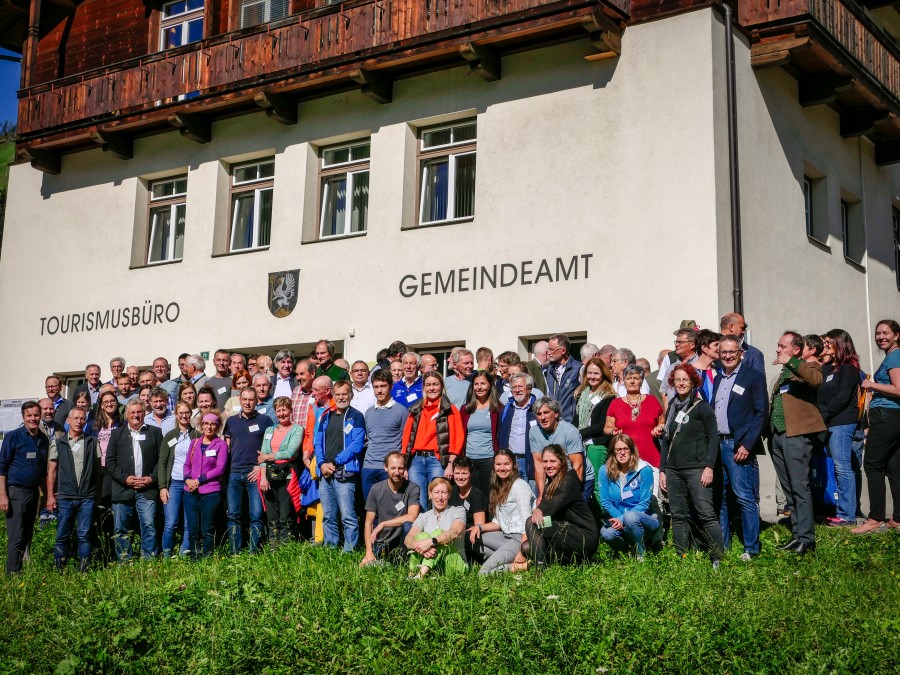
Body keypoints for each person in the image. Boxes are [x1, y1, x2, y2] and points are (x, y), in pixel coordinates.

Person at [659, 364, 723, 567]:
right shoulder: (671, 408)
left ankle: (717, 557)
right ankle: (682, 557)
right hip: (673, 469)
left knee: (706, 513)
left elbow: (713, 438)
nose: (681, 383)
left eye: (685, 379)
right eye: (677, 380)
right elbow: (666, 442)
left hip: (697, 469)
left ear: (693, 382)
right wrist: (662, 470)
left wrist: (709, 467)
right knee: (678, 515)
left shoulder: (702, 408)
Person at [769, 331, 825, 554]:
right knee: (789, 488)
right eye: (778, 345)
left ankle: (807, 540)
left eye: (783, 346)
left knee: (800, 487)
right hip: (778, 436)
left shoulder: (810, 366)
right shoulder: (784, 373)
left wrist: (790, 361)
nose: (778, 349)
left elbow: (815, 380)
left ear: (797, 350)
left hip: (797, 435)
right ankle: (797, 535)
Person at [713, 335, 767, 560]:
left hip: (738, 445)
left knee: (744, 497)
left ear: (740, 353)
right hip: (718, 444)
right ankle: (723, 548)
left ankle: (751, 549)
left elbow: (761, 413)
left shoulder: (752, 377)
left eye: (732, 352)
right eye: (723, 352)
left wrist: (747, 444)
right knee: (722, 498)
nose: (727, 356)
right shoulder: (718, 379)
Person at [854, 319, 900, 534]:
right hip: (892, 416)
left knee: (872, 464)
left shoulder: (895, 356)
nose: (880, 337)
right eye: (878, 333)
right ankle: (897, 518)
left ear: (896, 335)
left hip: (887, 414)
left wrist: (871, 385)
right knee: (893, 466)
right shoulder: (892, 356)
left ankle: (875, 518)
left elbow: (898, 389)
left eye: (885, 333)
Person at [520, 444, 599, 569]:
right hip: (564, 531)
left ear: (562, 462)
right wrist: (536, 509)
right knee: (527, 547)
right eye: (545, 461)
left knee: (532, 522)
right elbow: (543, 509)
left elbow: (547, 510)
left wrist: (537, 510)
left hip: (583, 535)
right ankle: (567, 563)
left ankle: (540, 569)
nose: (548, 465)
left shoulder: (568, 481)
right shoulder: (551, 483)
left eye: (553, 461)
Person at [106, 399, 164, 561]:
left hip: (147, 489)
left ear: (145, 413)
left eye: (139, 412)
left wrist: (151, 478)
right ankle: (124, 562)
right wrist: (125, 479)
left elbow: (162, 460)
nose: (136, 415)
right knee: (120, 528)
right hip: (122, 488)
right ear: (126, 415)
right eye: (132, 412)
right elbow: (110, 462)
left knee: (149, 526)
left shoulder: (155, 432)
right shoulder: (117, 434)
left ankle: (149, 562)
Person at [46, 407, 100, 572]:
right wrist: (50, 496)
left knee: (84, 536)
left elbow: (98, 471)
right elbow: (52, 472)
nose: (79, 421)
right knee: (62, 536)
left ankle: (83, 572)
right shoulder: (58, 443)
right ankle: (59, 570)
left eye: (82, 418)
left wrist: (97, 494)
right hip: (65, 497)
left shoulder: (92, 442)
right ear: (68, 420)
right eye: (75, 418)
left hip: (87, 498)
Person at [817, 329, 862, 527]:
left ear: (840, 344)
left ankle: (847, 515)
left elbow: (842, 398)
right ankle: (839, 510)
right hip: (829, 423)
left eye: (829, 343)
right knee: (837, 467)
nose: (825, 346)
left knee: (842, 467)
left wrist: (823, 415)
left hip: (842, 423)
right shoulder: (828, 370)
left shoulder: (848, 369)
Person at [401, 372, 465, 510]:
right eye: (428, 385)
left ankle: (439, 531)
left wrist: (450, 464)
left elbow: (457, 438)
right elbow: (407, 438)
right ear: (423, 387)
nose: (431, 388)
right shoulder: (416, 409)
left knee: (439, 499)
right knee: (418, 503)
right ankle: (420, 531)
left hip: (437, 461)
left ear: (441, 386)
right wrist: (404, 464)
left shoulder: (449, 409)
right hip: (416, 461)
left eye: (435, 384)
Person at [314, 380, 365, 552]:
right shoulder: (326, 416)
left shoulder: (356, 416)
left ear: (351, 395)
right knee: (328, 516)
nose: (341, 397)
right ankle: (330, 549)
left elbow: (357, 444)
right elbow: (318, 443)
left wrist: (335, 463)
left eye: (345, 394)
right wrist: (321, 464)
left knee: (348, 516)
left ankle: (349, 551)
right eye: (338, 394)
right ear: (333, 396)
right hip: (325, 473)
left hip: (345, 472)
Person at [223, 387, 275, 554]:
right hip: (234, 472)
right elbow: (226, 449)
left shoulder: (265, 420)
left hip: (255, 473)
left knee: (257, 514)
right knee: (233, 514)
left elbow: (269, 448)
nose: (247, 402)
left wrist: (261, 468)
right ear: (239, 400)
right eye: (244, 399)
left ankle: (254, 551)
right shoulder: (231, 421)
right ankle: (235, 552)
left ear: (256, 401)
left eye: (251, 400)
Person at [0, 401, 50, 574]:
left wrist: (45, 495)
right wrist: (3, 495)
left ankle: (19, 570)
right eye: (29, 415)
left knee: (28, 534)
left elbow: (43, 471)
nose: (33, 419)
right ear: (23, 417)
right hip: (16, 492)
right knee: (16, 535)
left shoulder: (43, 440)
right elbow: (2, 467)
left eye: (36, 415)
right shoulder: (13, 437)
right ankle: (12, 573)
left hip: (33, 493)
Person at [469, 450, 533, 574]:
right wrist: (479, 527)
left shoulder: (519, 486)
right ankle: (501, 557)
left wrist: (522, 550)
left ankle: (518, 566)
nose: (502, 468)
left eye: (506, 464)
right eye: (498, 464)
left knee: (484, 573)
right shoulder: (498, 486)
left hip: (519, 539)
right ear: (494, 466)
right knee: (468, 536)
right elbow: (498, 522)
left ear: (514, 465)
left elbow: (527, 521)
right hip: (504, 536)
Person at [604, 364, 665, 494]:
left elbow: (663, 423)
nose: (632, 381)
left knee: (653, 499)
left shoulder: (652, 401)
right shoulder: (616, 403)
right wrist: (613, 431)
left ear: (642, 381)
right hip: (625, 461)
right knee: (628, 498)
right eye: (629, 378)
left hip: (651, 459)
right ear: (624, 381)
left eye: (636, 378)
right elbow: (607, 428)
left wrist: (659, 428)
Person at [598, 434, 660, 560]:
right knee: (606, 533)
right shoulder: (604, 471)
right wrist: (619, 519)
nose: (622, 453)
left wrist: (622, 519)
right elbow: (605, 502)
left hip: (645, 519)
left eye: (626, 449)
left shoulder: (644, 469)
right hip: (618, 520)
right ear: (613, 452)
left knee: (630, 516)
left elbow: (644, 502)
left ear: (632, 450)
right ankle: (627, 552)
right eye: (618, 450)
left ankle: (640, 553)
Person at [360, 451, 421, 567]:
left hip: (403, 540)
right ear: (385, 468)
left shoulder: (413, 488)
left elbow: (412, 517)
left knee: (408, 525)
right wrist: (368, 552)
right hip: (382, 541)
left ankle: (403, 561)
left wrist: (383, 524)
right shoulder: (376, 489)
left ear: (405, 468)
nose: (397, 472)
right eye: (393, 468)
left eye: (400, 468)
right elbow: (368, 523)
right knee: (365, 567)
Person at [257, 396, 303, 546]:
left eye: (284, 409)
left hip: (287, 476)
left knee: (286, 514)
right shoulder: (269, 430)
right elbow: (261, 456)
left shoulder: (297, 429)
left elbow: (290, 453)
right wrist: (263, 477)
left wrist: (269, 456)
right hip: (269, 476)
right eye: (278, 411)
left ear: (290, 410)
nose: (282, 413)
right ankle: (273, 548)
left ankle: (287, 548)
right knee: (272, 516)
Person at [529, 397, 594, 503]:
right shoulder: (534, 432)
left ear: (556, 414)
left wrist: (572, 495)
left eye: (546, 412)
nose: (543, 417)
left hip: (579, 477)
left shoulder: (570, 432)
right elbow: (539, 464)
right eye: (539, 414)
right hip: (555, 476)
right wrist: (541, 494)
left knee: (574, 512)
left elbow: (578, 466)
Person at [183, 412, 228, 558]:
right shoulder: (194, 443)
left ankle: (207, 558)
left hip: (210, 491)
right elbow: (187, 464)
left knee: (207, 528)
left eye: (213, 423)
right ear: (201, 425)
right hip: (191, 491)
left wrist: (200, 480)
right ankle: (194, 557)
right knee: (192, 528)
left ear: (218, 426)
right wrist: (188, 479)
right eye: (206, 423)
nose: (209, 427)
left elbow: (220, 469)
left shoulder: (220, 444)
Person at [404, 477, 467, 578]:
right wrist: (422, 548)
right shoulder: (423, 516)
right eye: (436, 492)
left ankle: (420, 576)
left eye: (444, 492)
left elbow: (455, 532)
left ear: (449, 495)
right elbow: (408, 539)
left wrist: (431, 542)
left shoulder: (458, 511)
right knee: (421, 536)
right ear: (430, 494)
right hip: (433, 567)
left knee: (438, 534)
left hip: (453, 564)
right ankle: (412, 574)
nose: (440, 497)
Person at [158, 402, 198, 558]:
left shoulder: (197, 435)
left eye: (187, 412)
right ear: (175, 414)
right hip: (174, 483)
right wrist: (162, 487)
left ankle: (184, 554)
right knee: (171, 523)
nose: (184, 416)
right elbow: (162, 462)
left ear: (190, 414)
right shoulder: (170, 436)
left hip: (191, 484)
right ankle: (167, 555)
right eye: (180, 413)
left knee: (189, 524)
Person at [362, 369, 409, 500]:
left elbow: (405, 440)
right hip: (369, 466)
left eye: (383, 386)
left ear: (391, 386)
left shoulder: (402, 411)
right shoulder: (368, 412)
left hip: (390, 468)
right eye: (376, 387)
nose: (379, 390)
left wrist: (403, 466)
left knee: (390, 508)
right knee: (370, 508)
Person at [573, 357, 616, 481]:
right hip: (580, 444)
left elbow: (603, 424)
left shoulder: (609, 396)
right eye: (590, 373)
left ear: (603, 375)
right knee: (581, 481)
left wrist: (580, 433)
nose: (592, 376)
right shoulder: (581, 393)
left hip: (596, 445)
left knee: (596, 483)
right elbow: (576, 419)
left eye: (596, 373)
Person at [459, 370, 500, 497]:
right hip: (469, 459)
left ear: (490, 385)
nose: (479, 387)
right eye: (476, 384)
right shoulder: (465, 409)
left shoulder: (498, 409)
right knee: (472, 495)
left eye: (483, 383)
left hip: (488, 459)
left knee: (489, 495)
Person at [498, 372, 538, 485]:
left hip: (530, 461)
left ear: (529, 389)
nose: (517, 390)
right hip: (509, 461)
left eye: (520, 387)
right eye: (514, 387)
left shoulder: (537, 409)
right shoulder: (507, 409)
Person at [543, 334, 580, 423]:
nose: (549, 352)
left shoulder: (578, 368)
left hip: (570, 421)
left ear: (563, 350)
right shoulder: (549, 370)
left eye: (551, 349)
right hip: (553, 421)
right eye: (548, 349)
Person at [692, 329, 721, 403]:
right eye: (716, 345)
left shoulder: (720, 371)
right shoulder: (689, 371)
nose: (719, 348)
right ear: (704, 348)